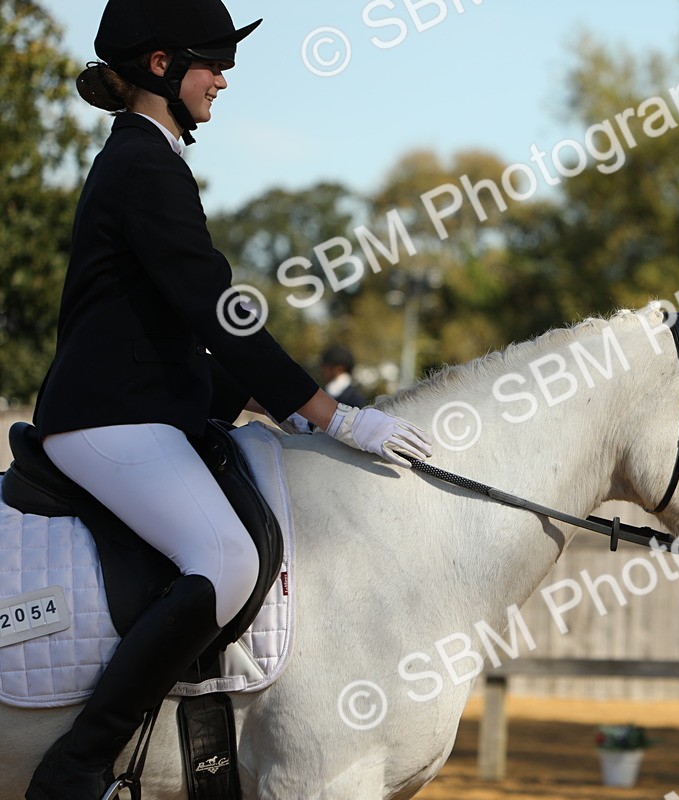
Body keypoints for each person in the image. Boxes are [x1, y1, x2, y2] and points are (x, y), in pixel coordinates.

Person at [24, 2, 433, 797]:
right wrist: (332, 414)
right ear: (160, 66)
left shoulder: (154, 156)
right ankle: (74, 770)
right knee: (227, 558)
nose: (224, 78)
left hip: (142, 408)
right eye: (211, 64)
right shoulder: (143, 163)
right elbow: (217, 311)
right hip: (108, 419)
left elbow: (172, 334)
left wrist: (265, 402)